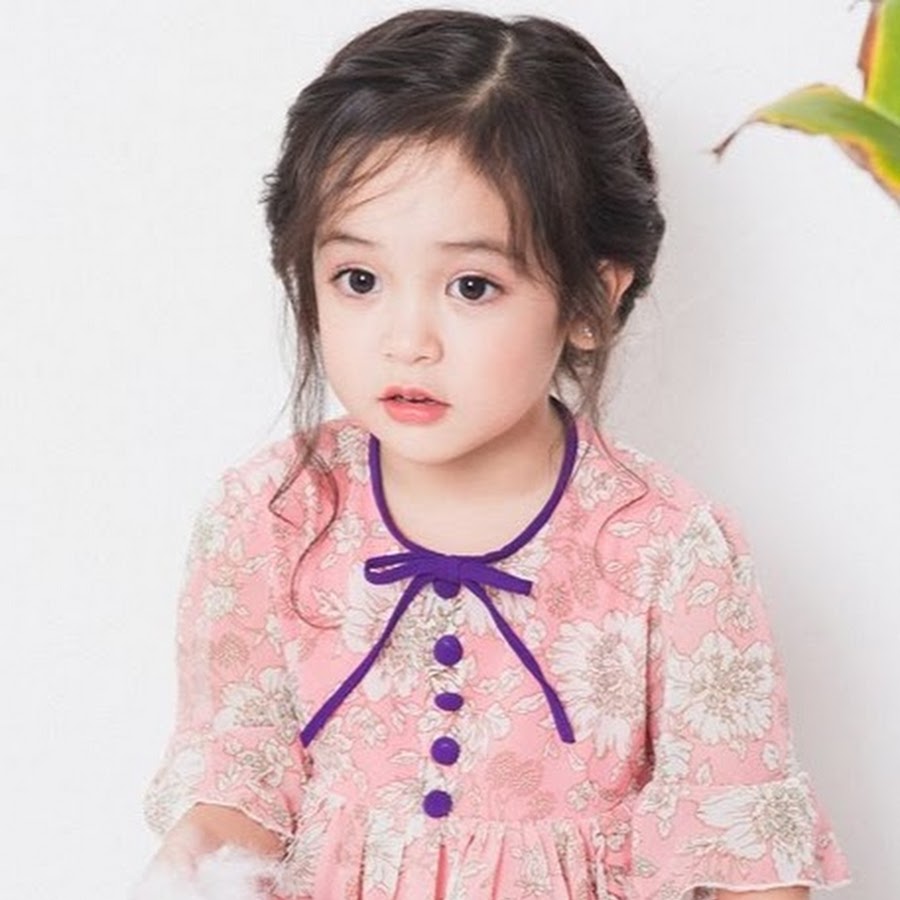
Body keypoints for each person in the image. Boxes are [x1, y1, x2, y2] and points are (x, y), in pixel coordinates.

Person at [135, 9, 850, 900]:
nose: (407, 340)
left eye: (472, 286)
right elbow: (233, 790)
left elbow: (741, 850)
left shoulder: (671, 551)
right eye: (358, 279)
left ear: (590, 300)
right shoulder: (270, 515)